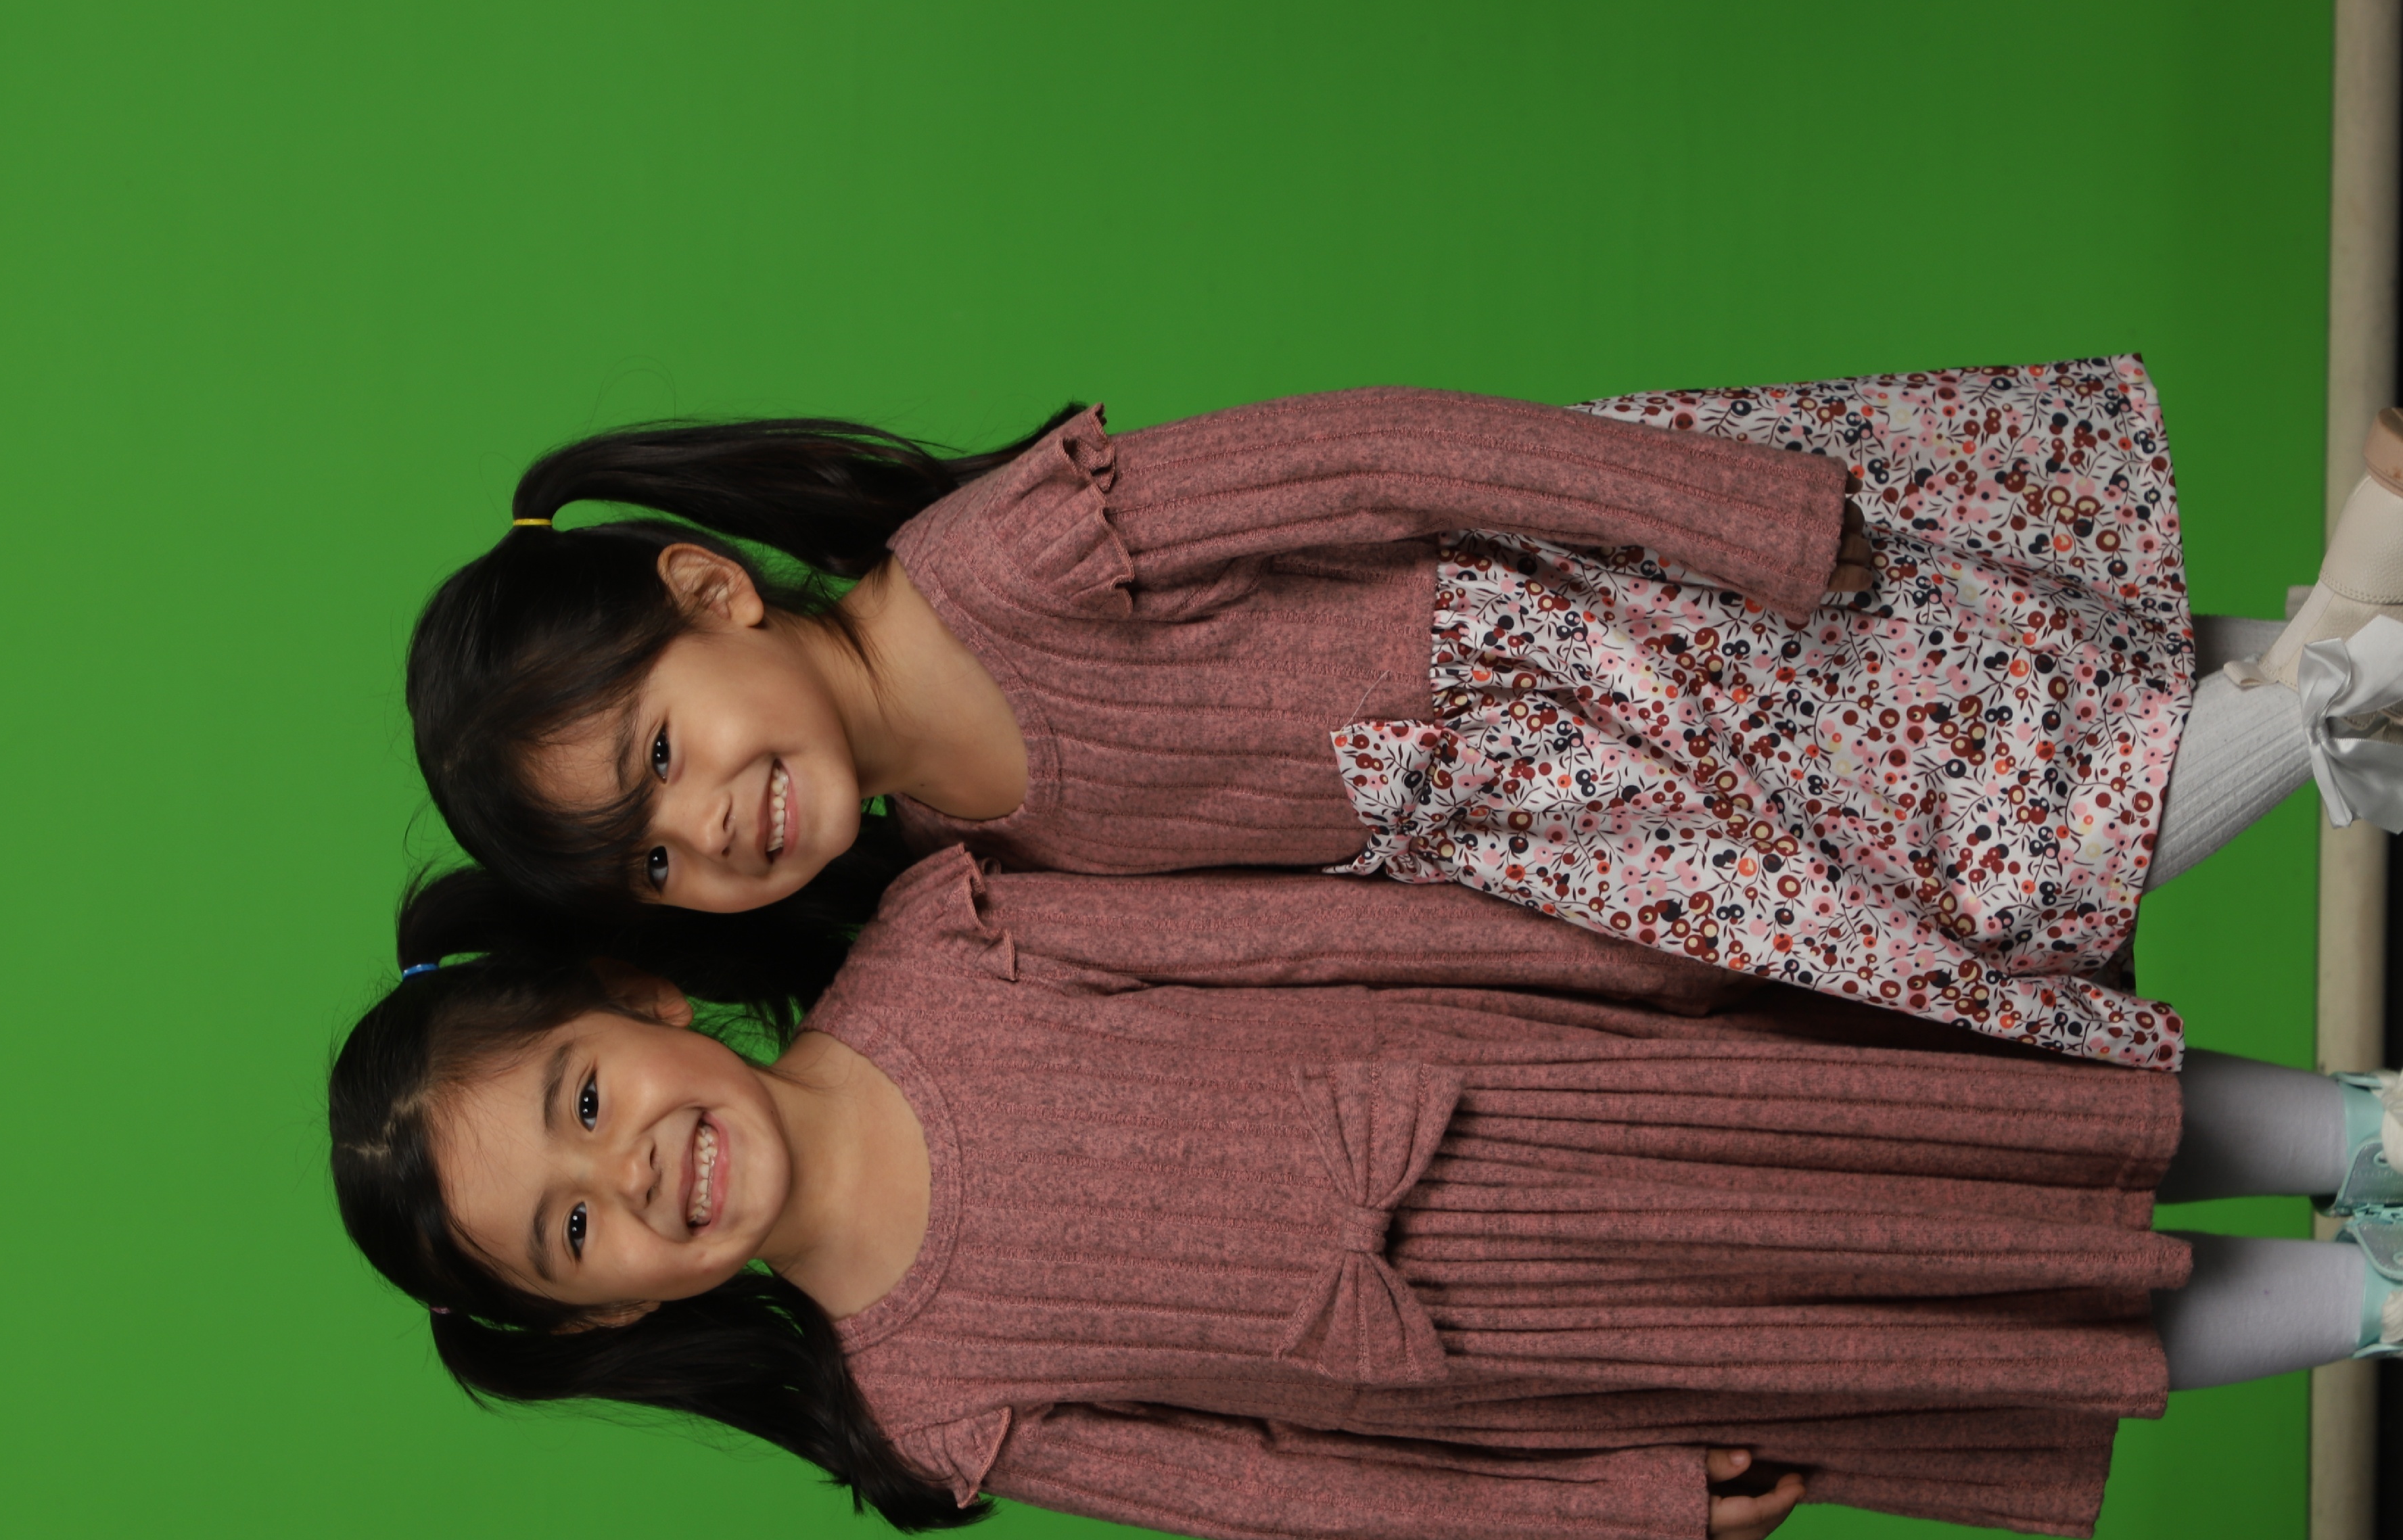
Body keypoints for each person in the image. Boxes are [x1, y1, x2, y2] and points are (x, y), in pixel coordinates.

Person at [329, 856, 2403, 1540]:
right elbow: (1281, 1493)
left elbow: (1294, 940)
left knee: (1992, 1133)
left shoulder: (945, 943)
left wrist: (1612, 955)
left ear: (639, 1002)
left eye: (583, 1103)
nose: (630, 1173)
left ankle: (2360, 1134)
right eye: (573, 1234)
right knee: (1960, 1330)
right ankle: (2368, 1305)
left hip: (1572, 1087)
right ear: (605, 1314)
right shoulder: (932, 1401)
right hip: (1554, 1357)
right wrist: (1613, 1511)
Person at [406, 360, 2403, 1071]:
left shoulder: (1003, 558)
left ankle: (2358, 619)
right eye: (649, 860)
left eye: (662, 752)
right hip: (1568, 829)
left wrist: (1736, 522)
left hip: (1604, 631)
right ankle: (2364, 630)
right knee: (2061, 712)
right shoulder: (964, 855)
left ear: (711, 591)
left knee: (2026, 835)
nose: (707, 827)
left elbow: (1373, 454)